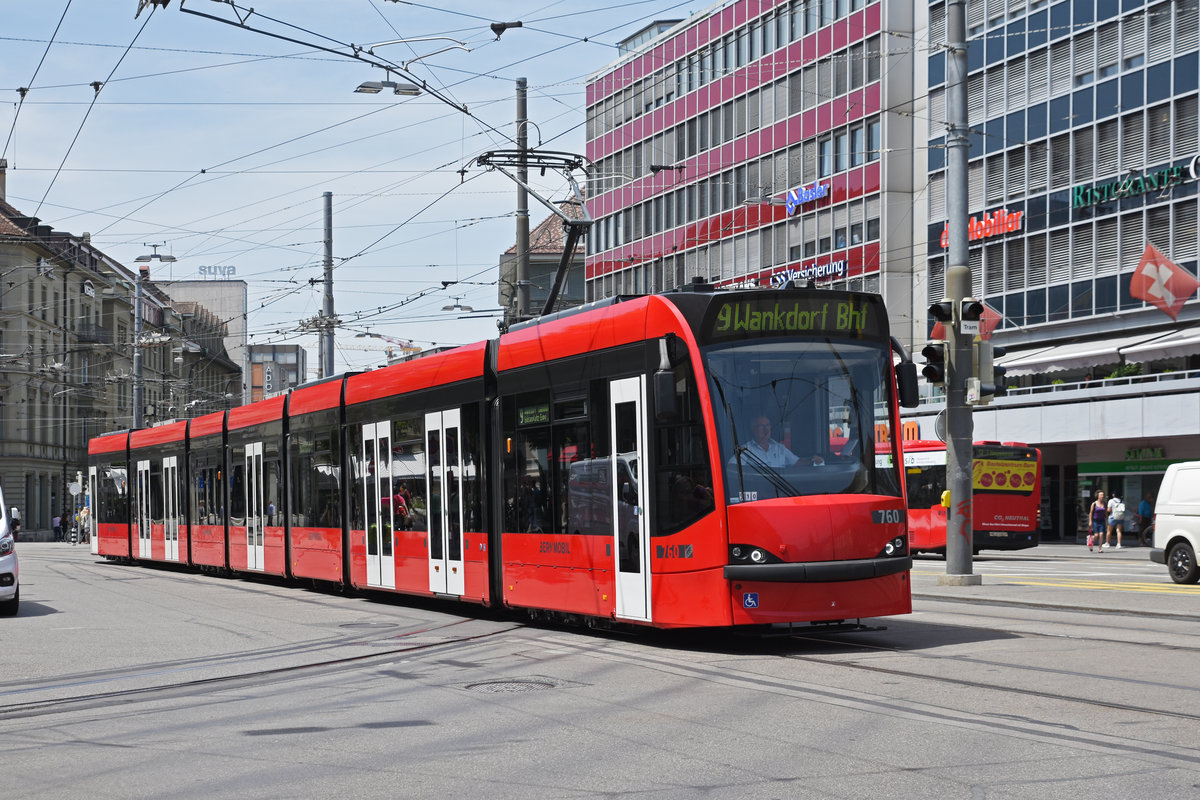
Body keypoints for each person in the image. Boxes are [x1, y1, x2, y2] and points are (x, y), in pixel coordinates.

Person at [738, 416, 823, 468]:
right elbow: (732, 468)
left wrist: (813, 461)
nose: (766, 429)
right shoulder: (745, 450)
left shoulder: (779, 448)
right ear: (753, 429)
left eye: (768, 425)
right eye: (761, 426)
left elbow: (797, 462)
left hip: (780, 491)